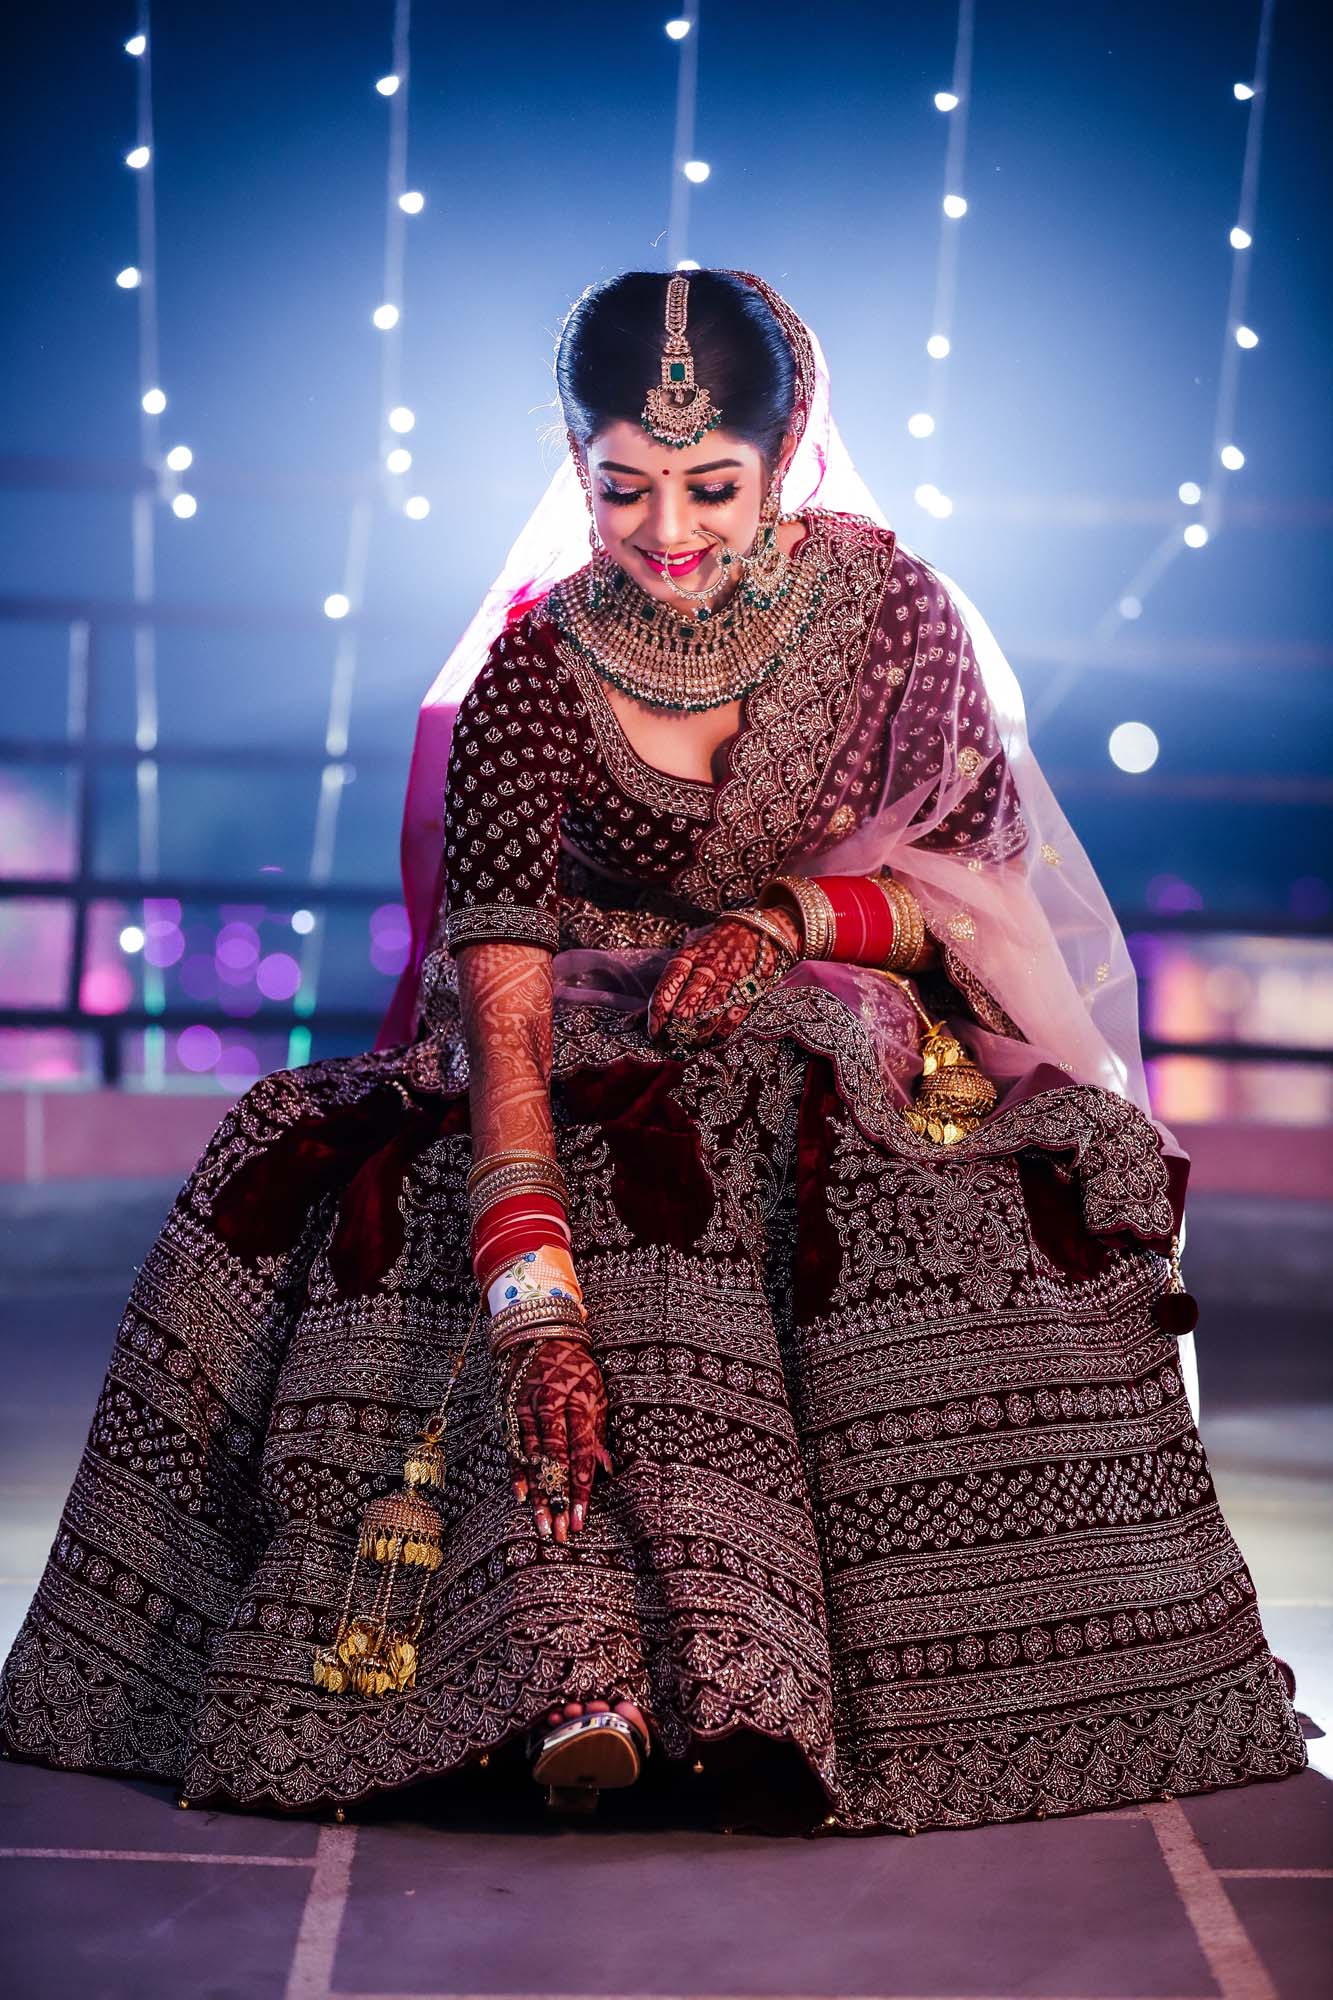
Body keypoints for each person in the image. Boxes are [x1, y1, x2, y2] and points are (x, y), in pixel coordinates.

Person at [0, 269, 1305, 1836]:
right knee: (408, 1172)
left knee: (763, 1125)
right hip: (567, 1050)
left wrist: (786, 918)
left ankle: (754, 1680)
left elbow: (976, 902)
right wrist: (529, 1294)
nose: (668, 533)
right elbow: (499, 1000)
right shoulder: (532, 678)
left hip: (828, 1022)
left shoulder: (892, 620)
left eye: (711, 488)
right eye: (623, 488)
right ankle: (570, 1673)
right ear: (575, 464)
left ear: (785, 454)